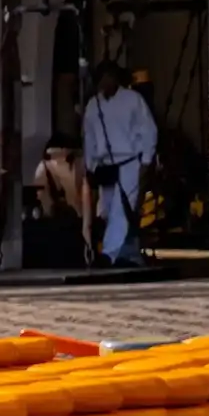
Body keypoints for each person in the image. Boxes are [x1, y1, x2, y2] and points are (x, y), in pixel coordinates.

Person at [82, 62, 156, 265]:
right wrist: (89, 166)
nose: (104, 83)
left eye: (108, 78)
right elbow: (89, 138)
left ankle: (109, 254)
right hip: (105, 164)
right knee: (105, 210)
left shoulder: (133, 100)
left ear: (115, 78)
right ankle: (121, 250)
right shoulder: (93, 105)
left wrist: (146, 161)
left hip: (128, 162)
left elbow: (148, 131)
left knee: (121, 210)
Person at [27, 134, 94, 268]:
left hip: (56, 225)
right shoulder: (80, 166)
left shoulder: (44, 167)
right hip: (75, 223)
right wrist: (88, 238)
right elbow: (87, 203)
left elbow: (42, 199)